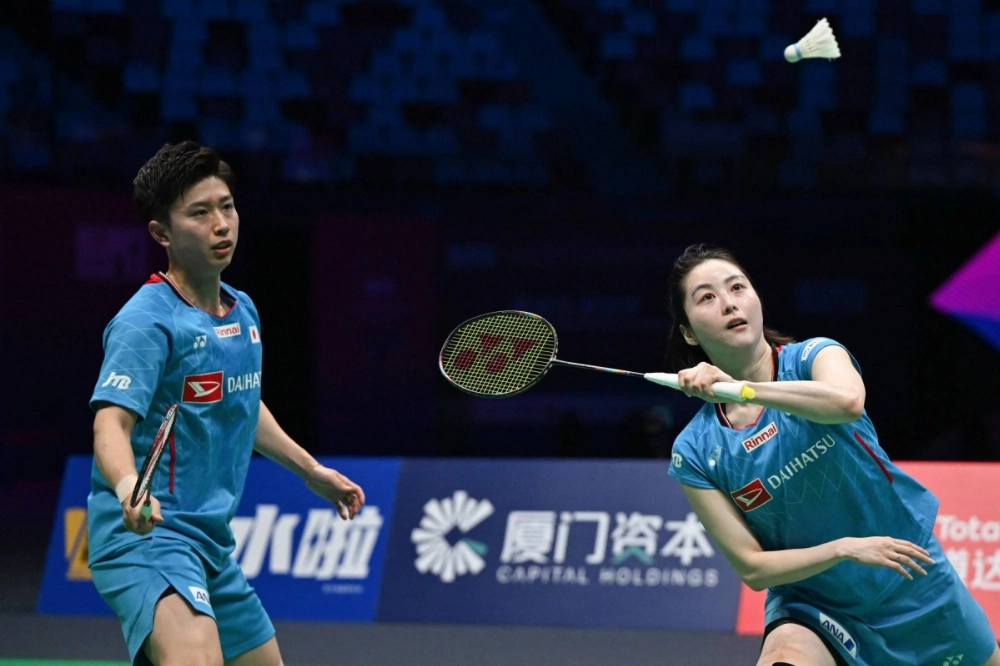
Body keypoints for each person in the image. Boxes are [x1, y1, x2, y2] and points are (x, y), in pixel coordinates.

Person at [88, 141, 366, 666]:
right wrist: (130, 489)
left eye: (227, 206)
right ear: (161, 234)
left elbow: (242, 403)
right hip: (149, 534)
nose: (222, 224)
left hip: (210, 543)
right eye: (200, 212)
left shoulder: (244, 310)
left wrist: (310, 470)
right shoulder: (146, 322)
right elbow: (110, 425)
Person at [665, 244, 999, 666]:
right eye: (707, 297)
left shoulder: (814, 357)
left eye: (737, 287)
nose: (729, 302)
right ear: (690, 332)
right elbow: (753, 568)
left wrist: (740, 388)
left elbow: (845, 402)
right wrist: (842, 549)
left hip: (908, 577)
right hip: (813, 605)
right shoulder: (695, 451)